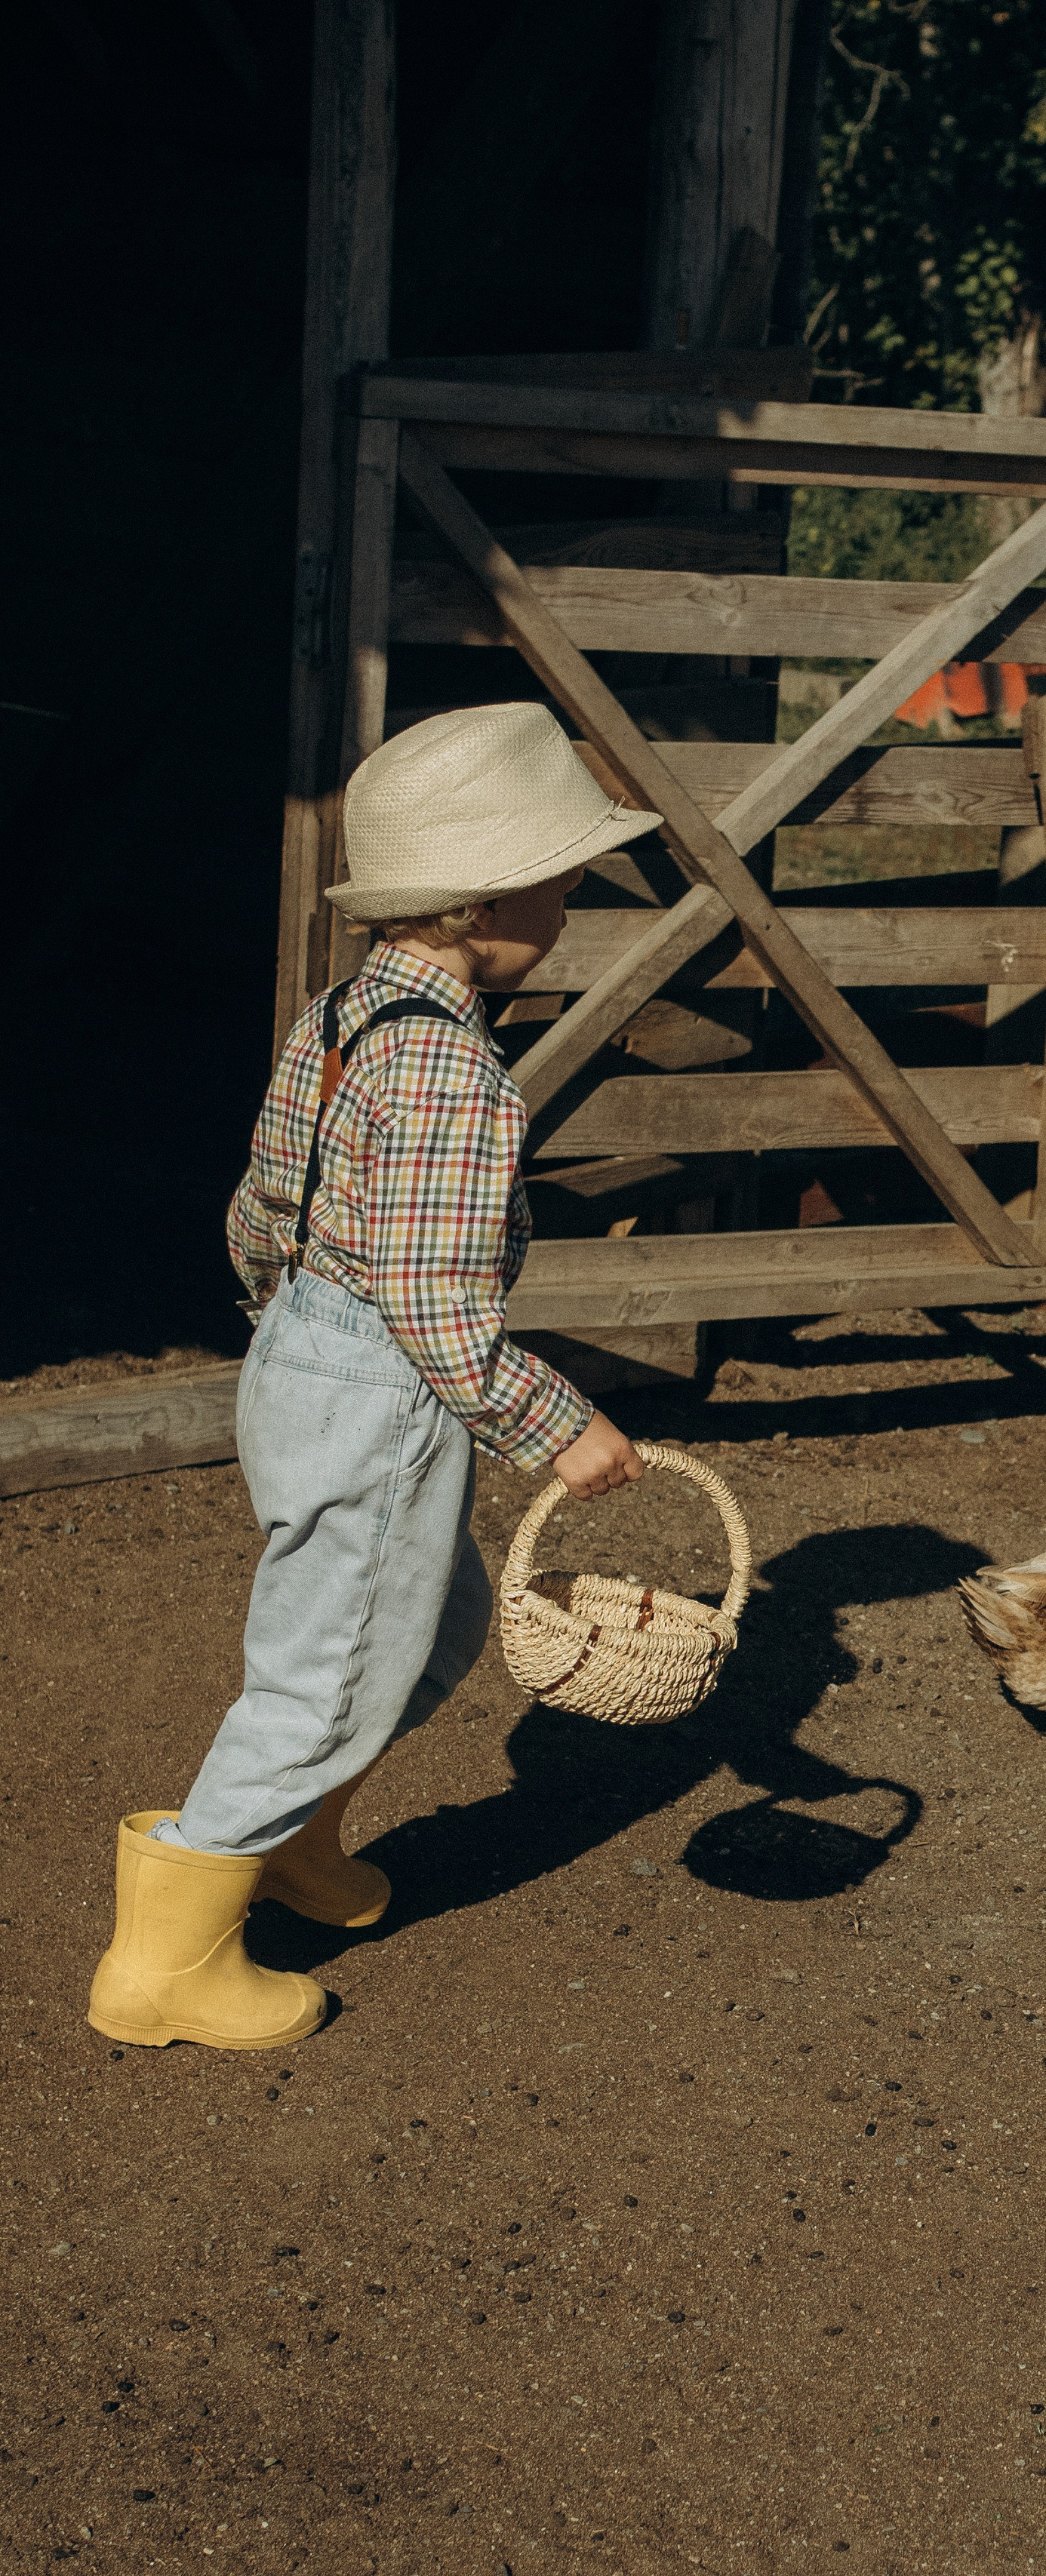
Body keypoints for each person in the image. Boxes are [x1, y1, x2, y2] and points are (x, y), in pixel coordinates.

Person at [88, 704, 651, 2052]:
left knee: (428, 1622)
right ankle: (162, 1967)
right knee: (326, 1669)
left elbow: (260, 1199)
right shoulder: (459, 1070)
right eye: (563, 877)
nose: (573, 899)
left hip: (308, 1345)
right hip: (386, 1382)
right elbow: (438, 1303)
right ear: (480, 901)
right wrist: (555, 1422)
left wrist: (287, 1327)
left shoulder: (347, 1014)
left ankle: (290, 1837)